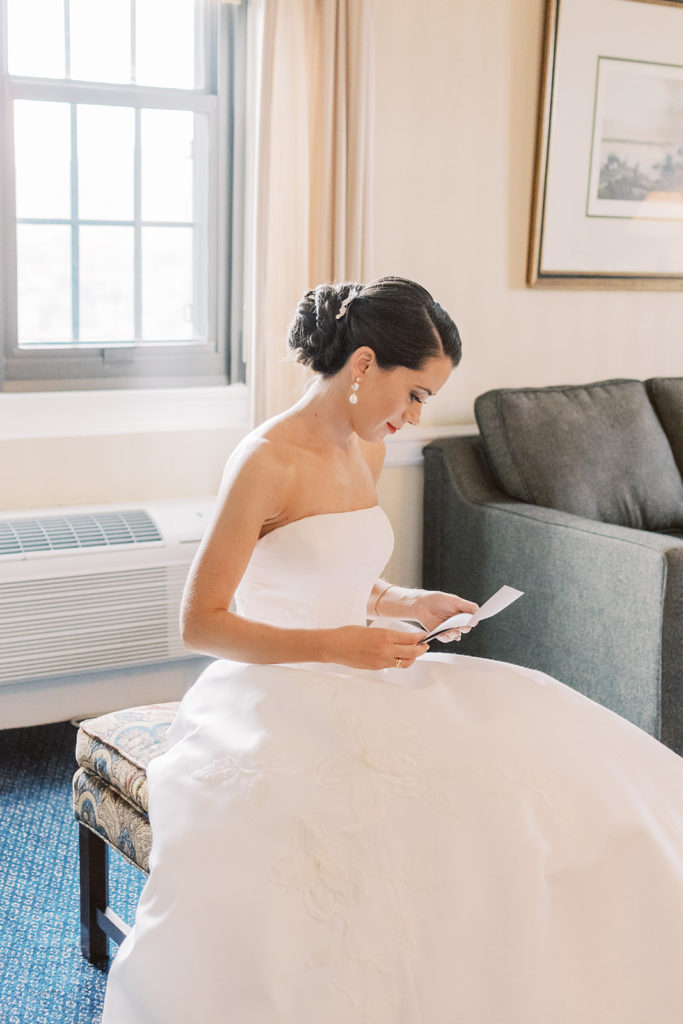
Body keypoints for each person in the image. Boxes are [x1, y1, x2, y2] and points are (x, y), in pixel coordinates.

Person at [102, 277, 683, 1024]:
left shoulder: (366, 450)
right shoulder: (264, 461)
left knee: (542, 763)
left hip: (370, 671)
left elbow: (342, 575)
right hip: (275, 692)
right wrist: (338, 645)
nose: (414, 416)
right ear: (363, 364)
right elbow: (203, 623)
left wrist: (407, 602)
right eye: (414, 394)